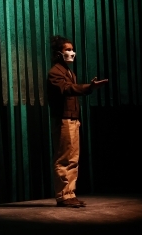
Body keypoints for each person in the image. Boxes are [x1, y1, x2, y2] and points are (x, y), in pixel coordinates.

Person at [47, 35, 108, 208]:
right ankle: (63, 196)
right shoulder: (55, 73)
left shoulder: (68, 72)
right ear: (59, 53)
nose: (72, 52)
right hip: (63, 120)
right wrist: (89, 88)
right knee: (64, 158)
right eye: (68, 49)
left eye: (72, 49)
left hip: (72, 119)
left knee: (73, 158)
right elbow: (67, 89)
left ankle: (70, 193)